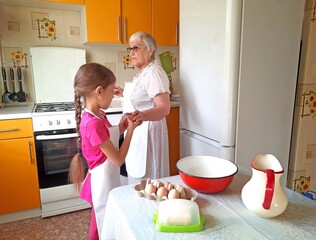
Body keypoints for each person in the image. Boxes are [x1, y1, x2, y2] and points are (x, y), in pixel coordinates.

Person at [68, 63, 140, 240]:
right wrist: (131, 130)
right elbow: (118, 159)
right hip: (101, 183)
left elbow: (104, 140)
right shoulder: (92, 123)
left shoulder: (98, 114)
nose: (112, 97)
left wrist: (121, 127)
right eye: (111, 92)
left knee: (106, 220)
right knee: (101, 223)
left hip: (107, 177)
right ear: (99, 91)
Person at [114, 31, 171, 184]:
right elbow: (143, 98)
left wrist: (143, 115)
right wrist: (123, 93)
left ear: (150, 49)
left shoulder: (154, 73)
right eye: (130, 49)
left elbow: (164, 108)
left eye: (136, 48)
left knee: (149, 182)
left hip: (149, 136)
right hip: (138, 133)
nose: (131, 53)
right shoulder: (144, 72)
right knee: (138, 180)